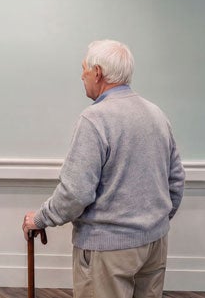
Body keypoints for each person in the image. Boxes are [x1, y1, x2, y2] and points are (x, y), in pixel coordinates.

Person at [20, 40, 184, 298]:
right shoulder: (156, 114)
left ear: (97, 72)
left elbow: (75, 193)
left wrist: (40, 218)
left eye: (84, 69)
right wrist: (153, 221)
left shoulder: (94, 119)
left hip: (107, 250)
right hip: (154, 244)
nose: (81, 75)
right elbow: (176, 182)